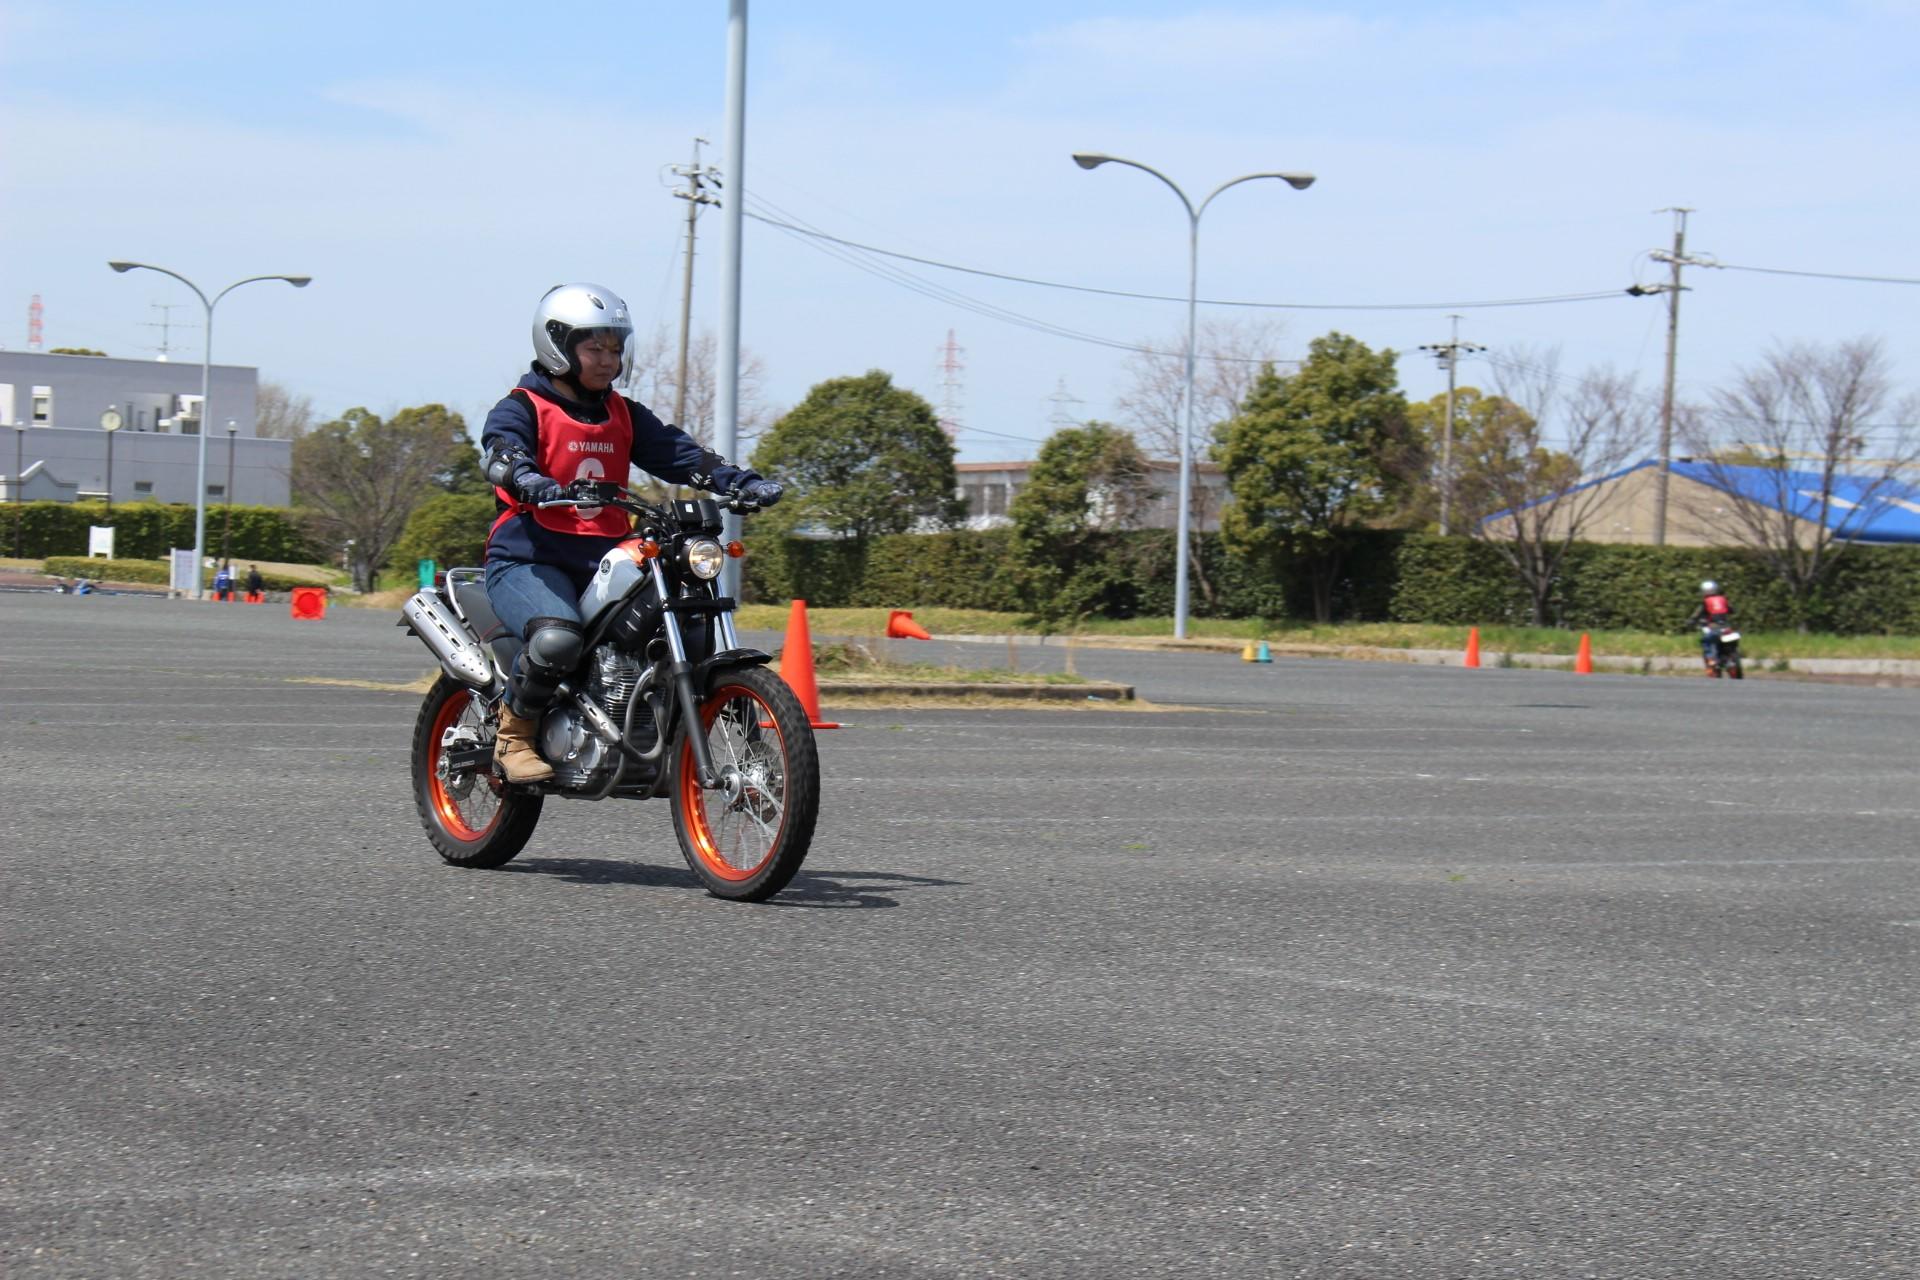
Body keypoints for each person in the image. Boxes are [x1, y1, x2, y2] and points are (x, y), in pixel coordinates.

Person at [479, 282, 782, 783]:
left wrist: (740, 481)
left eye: (615, 348)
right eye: (594, 347)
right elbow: (501, 452)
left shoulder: (624, 414)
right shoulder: (522, 407)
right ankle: (513, 735)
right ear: (557, 345)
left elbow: (681, 454)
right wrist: (526, 478)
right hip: (529, 558)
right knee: (555, 639)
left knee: (687, 623)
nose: (607, 359)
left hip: (606, 555)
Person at [1687, 579, 1734, 673]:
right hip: (1726, 627)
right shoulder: (1723, 599)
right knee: (1731, 643)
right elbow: (1731, 610)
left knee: (1706, 641)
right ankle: (1730, 657)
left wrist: (1691, 621)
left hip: (1714, 627)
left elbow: (1697, 614)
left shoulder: (1706, 602)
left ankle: (1711, 659)